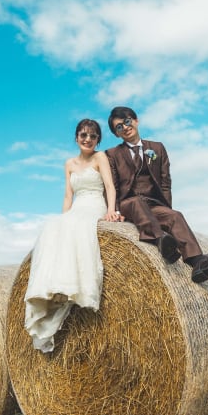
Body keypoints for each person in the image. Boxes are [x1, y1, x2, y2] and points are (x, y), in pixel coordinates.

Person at [104, 106, 208, 283]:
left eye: (127, 121)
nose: (125, 127)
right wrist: (116, 211)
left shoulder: (157, 148)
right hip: (129, 203)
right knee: (136, 202)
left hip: (153, 203)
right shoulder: (112, 154)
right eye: (119, 127)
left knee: (175, 216)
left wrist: (166, 209)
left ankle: (199, 263)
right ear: (116, 134)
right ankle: (161, 240)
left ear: (136, 121)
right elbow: (111, 185)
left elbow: (165, 182)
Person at [24, 119, 123, 353]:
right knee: (55, 225)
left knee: (78, 225)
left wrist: (111, 210)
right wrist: (64, 219)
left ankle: (77, 288)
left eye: (93, 136)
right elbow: (68, 196)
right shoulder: (69, 163)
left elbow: (110, 186)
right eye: (83, 135)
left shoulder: (100, 158)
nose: (88, 139)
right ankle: (55, 287)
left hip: (94, 205)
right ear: (76, 137)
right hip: (77, 207)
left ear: (98, 140)